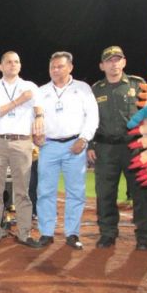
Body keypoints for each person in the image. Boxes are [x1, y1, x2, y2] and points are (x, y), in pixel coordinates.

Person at [88, 46, 147, 250]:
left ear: (124, 62)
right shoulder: (96, 89)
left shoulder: (138, 84)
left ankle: (143, 236)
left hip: (134, 148)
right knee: (105, 193)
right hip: (106, 148)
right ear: (102, 65)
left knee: (141, 193)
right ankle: (108, 233)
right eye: (109, 61)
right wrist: (90, 145)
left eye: (117, 60)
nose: (114, 64)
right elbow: (88, 119)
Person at [35, 51, 98, 249]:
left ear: (70, 67)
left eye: (60, 66)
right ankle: (46, 233)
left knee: (76, 192)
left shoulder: (83, 88)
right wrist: (34, 135)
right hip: (49, 146)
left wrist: (84, 138)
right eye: (52, 67)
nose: (55, 70)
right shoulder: (41, 90)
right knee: (45, 191)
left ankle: (72, 233)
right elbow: (33, 117)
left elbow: (93, 116)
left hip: (75, 145)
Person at [0, 51, 44, 247]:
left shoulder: (29, 86)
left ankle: (24, 233)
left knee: (22, 190)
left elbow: (39, 106)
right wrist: (19, 101)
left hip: (22, 141)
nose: (13, 65)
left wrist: (40, 116)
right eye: (8, 62)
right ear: (1, 66)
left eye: (16, 61)